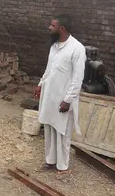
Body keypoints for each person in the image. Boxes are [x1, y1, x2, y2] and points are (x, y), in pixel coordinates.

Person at [34, 14, 85, 176]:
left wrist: (68, 100)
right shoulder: (54, 45)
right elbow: (49, 69)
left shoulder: (77, 48)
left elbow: (78, 78)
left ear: (62, 29)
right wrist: (41, 84)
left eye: (52, 25)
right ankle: (50, 162)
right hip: (50, 96)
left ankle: (63, 168)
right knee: (49, 128)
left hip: (63, 99)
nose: (49, 27)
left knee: (63, 133)